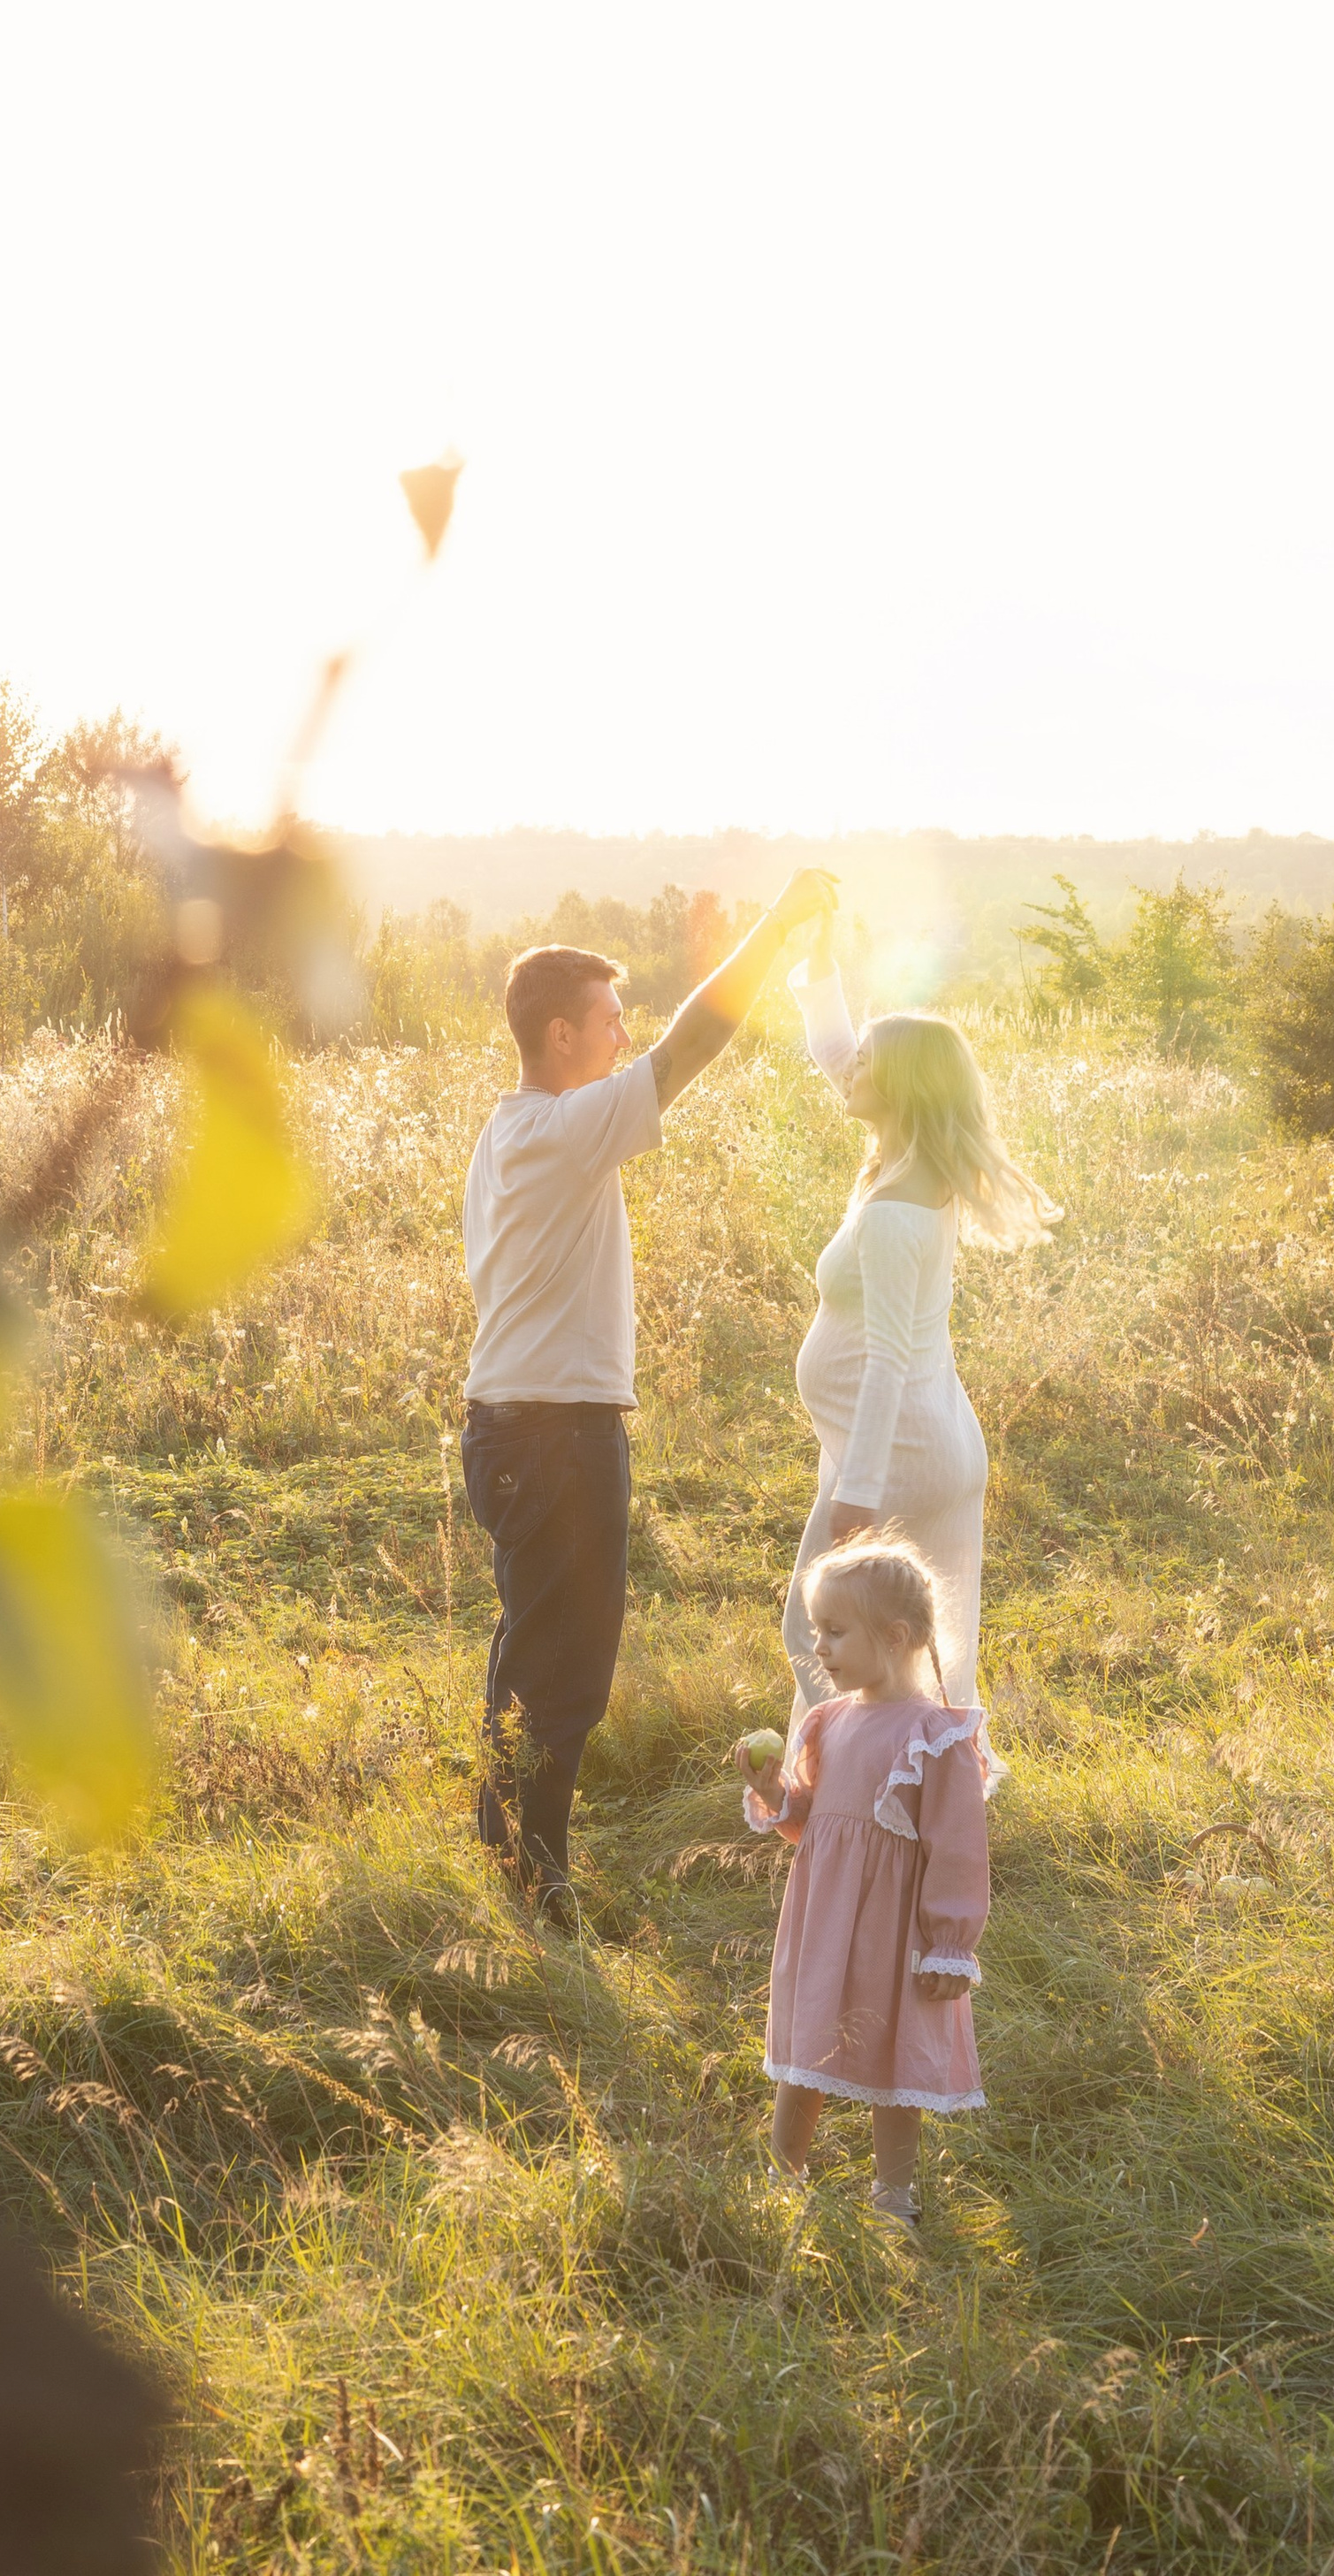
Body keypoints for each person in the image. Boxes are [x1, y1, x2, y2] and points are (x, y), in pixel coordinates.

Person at [460, 869, 840, 1919]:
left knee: (525, 1649)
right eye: (607, 1022)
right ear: (559, 1035)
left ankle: (504, 1854)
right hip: (552, 1435)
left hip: (513, 1425)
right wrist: (777, 922)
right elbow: (691, 1045)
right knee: (567, 1672)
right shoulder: (555, 1130)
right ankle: (538, 1886)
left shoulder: (511, 1134)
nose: (622, 1037)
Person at [778, 912, 1058, 1745]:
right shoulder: (899, 1157)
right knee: (906, 1649)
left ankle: (875, 1798)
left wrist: (859, 1487)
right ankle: (865, 1794)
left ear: (897, 1086)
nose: (848, 1070)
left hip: (897, 1454)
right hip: (893, 1446)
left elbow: (888, 1359)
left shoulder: (899, 1209)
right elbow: (836, 1054)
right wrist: (820, 967)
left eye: (867, 1063)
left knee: (839, 1637)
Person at [735, 1534, 990, 2227]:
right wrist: (775, 1792)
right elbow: (816, 1825)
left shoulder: (935, 1736)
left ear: (896, 1635)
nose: (819, 1648)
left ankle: (892, 2196)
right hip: (824, 1916)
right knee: (805, 2043)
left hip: (893, 1926)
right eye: (818, 1631)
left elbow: (959, 1849)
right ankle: (782, 2176)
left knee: (894, 2052)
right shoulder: (828, 1722)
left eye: (836, 1632)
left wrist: (949, 1944)